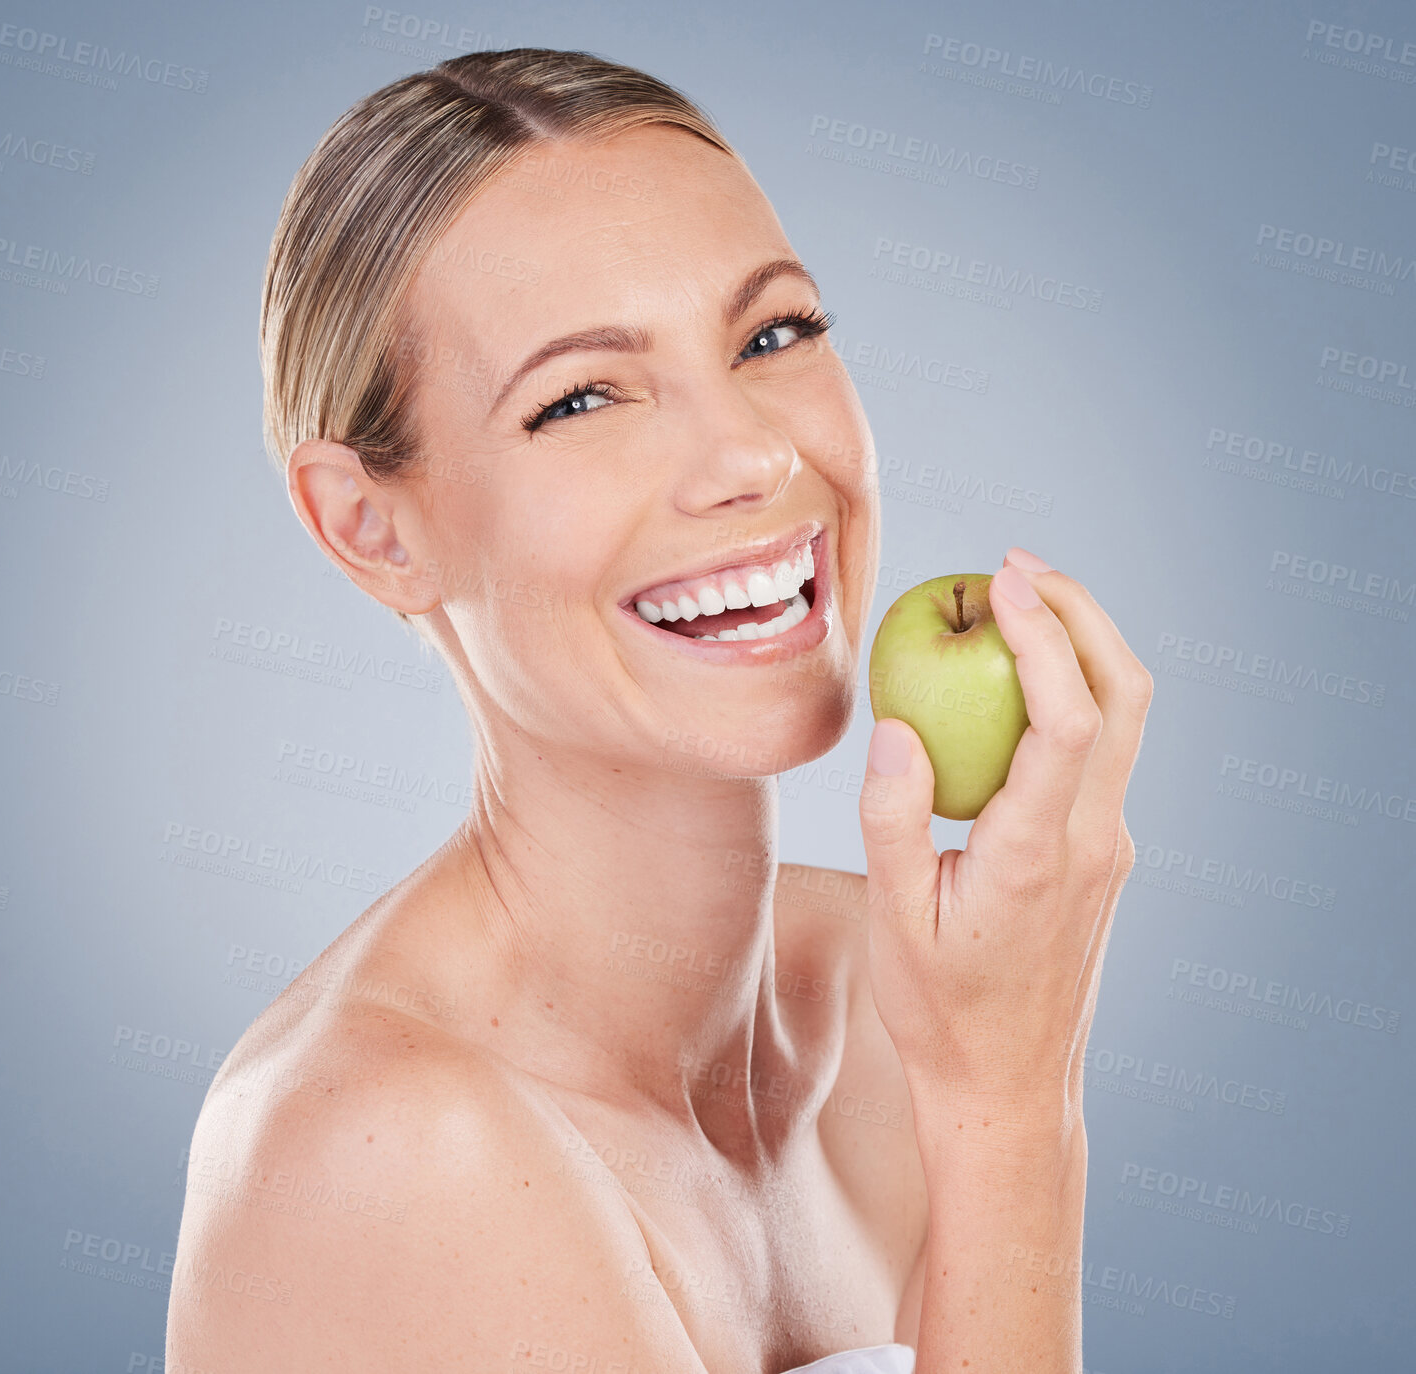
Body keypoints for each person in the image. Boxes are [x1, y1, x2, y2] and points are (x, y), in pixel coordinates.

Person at [166, 47, 1153, 1373]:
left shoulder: (892, 988)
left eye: (774, 334)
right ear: (372, 528)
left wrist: (998, 1080)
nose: (754, 454)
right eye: (578, 398)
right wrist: (1010, 1110)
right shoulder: (388, 1147)